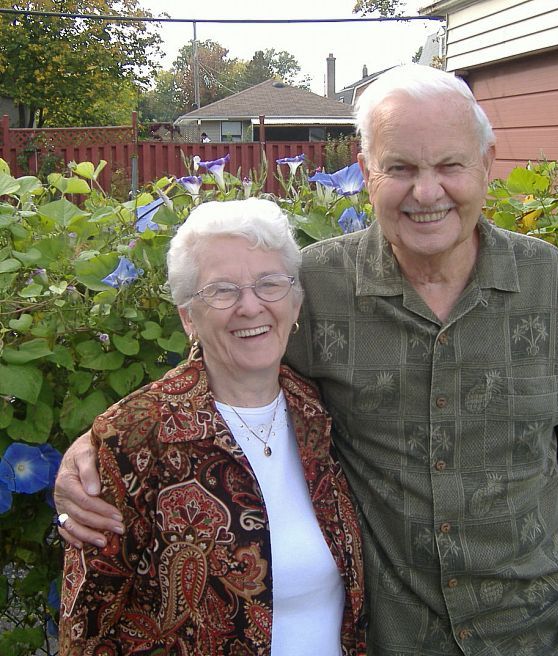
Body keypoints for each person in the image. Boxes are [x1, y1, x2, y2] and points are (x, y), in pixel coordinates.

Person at [55, 65, 558, 655]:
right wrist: (99, 448)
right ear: (366, 173)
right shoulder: (318, 285)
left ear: (486, 165)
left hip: (546, 629)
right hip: (398, 636)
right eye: (402, 168)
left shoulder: (550, 282)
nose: (427, 192)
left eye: (450, 166)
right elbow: (226, 359)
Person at [57, 199, 364, 655]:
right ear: (187, 316)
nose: (250, 306)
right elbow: (88, 623)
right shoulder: (134, 437)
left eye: (269, 284)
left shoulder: (320, 411)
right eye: (221, 291)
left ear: (295, 301)